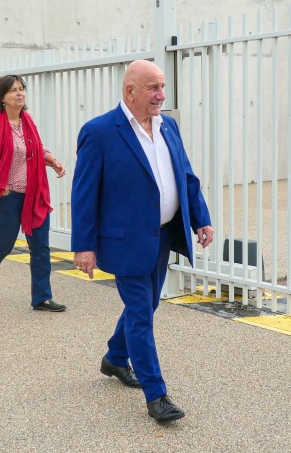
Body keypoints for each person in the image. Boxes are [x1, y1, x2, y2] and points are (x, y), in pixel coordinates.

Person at [71, 59, 213, 424]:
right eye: (153, 88)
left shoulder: (168, 126)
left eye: (162, 86)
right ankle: (157, 395)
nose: (161, 95)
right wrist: (83, 245)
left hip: (162, 235)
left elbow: (185, 176)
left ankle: (115, 358)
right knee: (140, 313)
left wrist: (201, 218)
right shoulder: (100, 132)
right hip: (125, 241)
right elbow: (84, 193)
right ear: (130, 91)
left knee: (148, 304)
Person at [0, 74, 67, 312]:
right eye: (13, 90)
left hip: (34, 193)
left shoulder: (27, 121)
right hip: (7, 197)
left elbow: (37, 147)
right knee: (3, 245)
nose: (19, 93)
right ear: (2, 97)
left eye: (21, 89)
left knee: (40, 245)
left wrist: (51, 160)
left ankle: (42, 298)